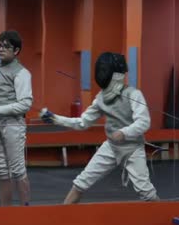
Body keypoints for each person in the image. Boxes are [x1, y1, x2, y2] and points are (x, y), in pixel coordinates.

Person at [41, 52, 158, 204]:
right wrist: (55, 119)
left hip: (132, 149)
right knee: (80, 183)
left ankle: (164, 215)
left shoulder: (134, 95)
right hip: (111, 147)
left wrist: (124, 132)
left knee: (146, 193)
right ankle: (60, 216)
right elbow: (83, 122)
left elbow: (144, 122)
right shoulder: (101, 99)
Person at [0, 30, 33, 206]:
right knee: (1, 170)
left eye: (6, 46)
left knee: (17, 170)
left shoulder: (22, 73)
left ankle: (27, 211)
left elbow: (25, 104)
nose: (1, 49)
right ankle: (5, 211)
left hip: (13, 124)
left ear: (16, 51)